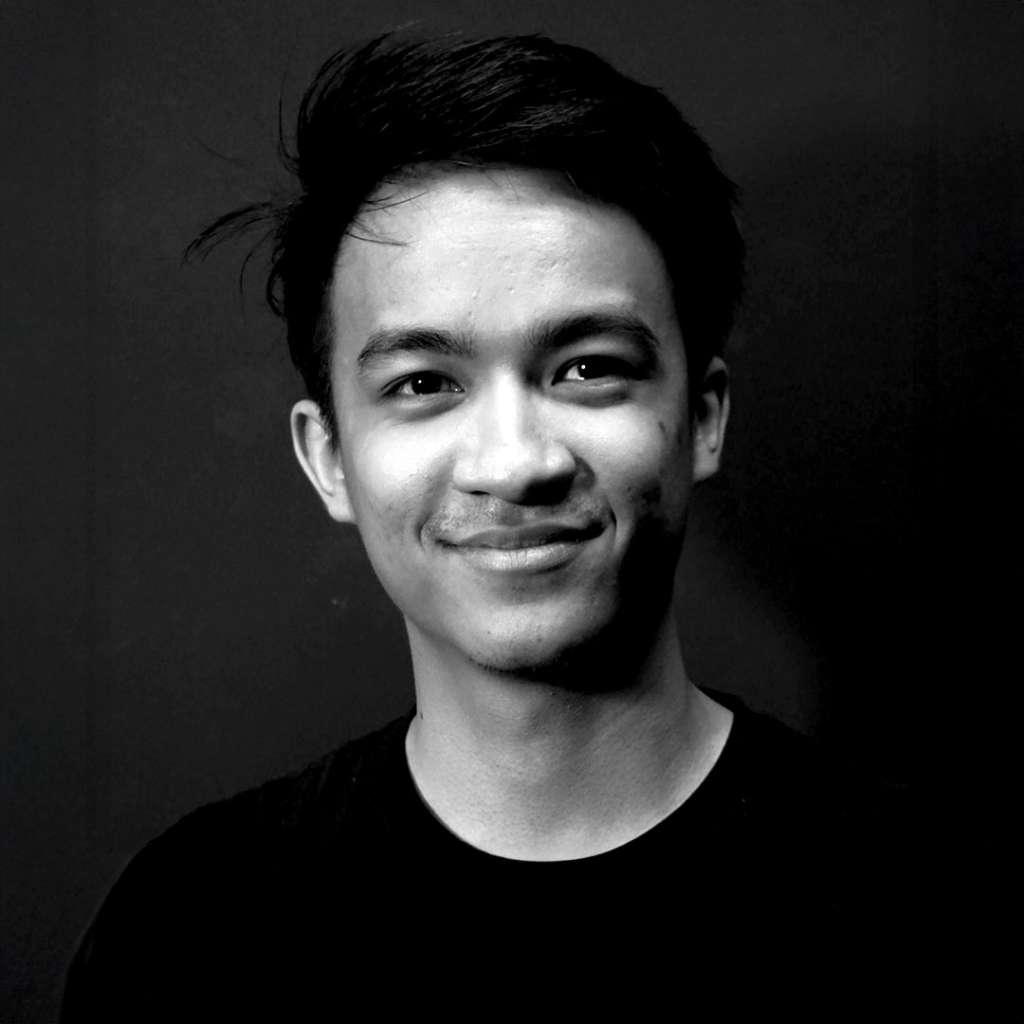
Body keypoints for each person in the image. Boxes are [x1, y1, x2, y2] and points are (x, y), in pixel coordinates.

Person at [63, 32, 918, 1018]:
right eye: (424, 383)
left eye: (588, 368)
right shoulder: (186, 931)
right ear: (329, 457)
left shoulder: (924, 905)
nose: (514, 462)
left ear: (702, 420)